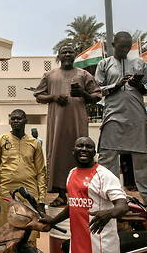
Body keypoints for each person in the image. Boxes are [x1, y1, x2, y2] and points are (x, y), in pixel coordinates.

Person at [94, 31, 147, 207]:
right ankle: (110, 194)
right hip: (113, 115)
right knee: (108, 156)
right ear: (113, 45)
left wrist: (138, 84)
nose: (125, 50)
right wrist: (117, 85)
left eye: (128, 47)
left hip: (136, 115)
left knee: (141, 157)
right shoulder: (104, 64)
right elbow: (97, 89)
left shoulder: (139, 63)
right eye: (122, 47)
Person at [34, 44, 102, 207]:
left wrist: (83, 94)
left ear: (74, 55)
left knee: (81, 152)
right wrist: (54, 97)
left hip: (77, 121)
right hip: (57, 123)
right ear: (59, 55)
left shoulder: (84, 74)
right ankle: (62, 194)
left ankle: (80, 192)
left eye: (70, 52)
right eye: (63, 52)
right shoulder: (50, 75)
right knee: (58, 154)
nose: (67, 54)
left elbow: (97, 96)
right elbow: (39, 96)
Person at [40, 137, 128, 253]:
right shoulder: (72, 173)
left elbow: (123, 206)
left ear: (94, 153)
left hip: (101, 245)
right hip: (77, 244)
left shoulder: (104, 176)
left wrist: (109, 213)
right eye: (80, 146)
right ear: (73, 151)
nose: (84, 149)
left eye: (89, 147)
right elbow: (73, 205)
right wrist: (53, 221)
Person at [0, 109, 46, 244]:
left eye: (19, 119)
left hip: (29, 193)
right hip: (5, 193)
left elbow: (41, 172)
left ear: (25, 121)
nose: (15, 121)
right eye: (13, 119)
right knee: (3, 231)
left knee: (29, 231)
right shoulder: (0, 141)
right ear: (9, 121)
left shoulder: (35, 143)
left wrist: (41, 201)